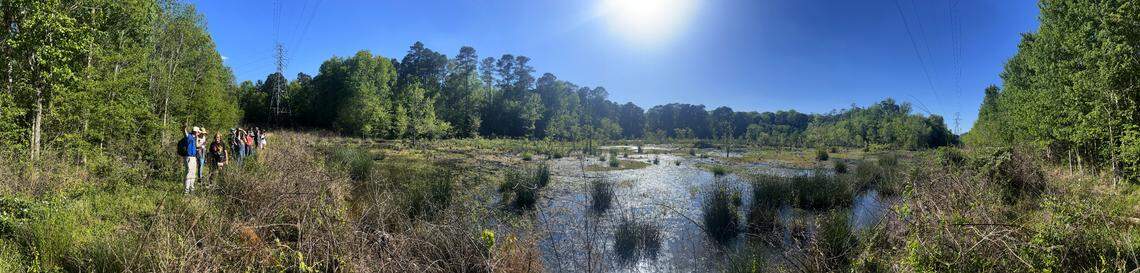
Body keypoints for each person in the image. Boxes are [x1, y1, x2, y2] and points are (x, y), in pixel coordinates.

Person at [180, 126, 199, 194]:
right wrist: (184, 129)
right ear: (195, 132)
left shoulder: (194, 138)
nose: (199, 133)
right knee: (189, 173)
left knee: (193, 173)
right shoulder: (189, 136)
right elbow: (185, 133)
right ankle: (186, 190)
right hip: (189, 157)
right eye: (198, 132)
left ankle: (192, 188)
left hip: (193, 157)